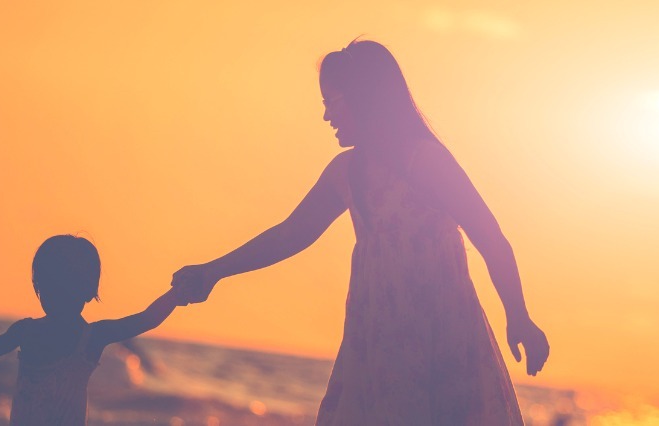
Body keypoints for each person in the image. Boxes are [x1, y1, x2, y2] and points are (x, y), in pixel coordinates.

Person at [172, 39, 549, 425]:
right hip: (377, 349)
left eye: (331, 101)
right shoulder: (346, 173)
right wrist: (212, 271)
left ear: (364, 99)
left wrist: (518, 315)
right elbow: (290, 234)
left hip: (443, 341)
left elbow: (490, 238)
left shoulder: (425, 160)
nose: (325, 116)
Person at [0, 234, 190, 425]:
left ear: (88, 291)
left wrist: (175, 295)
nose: (55, 295)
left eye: (64, 287)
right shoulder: (26, 331)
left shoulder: (91, 338)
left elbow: (145, 320)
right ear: (39, 287)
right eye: (48, 286)